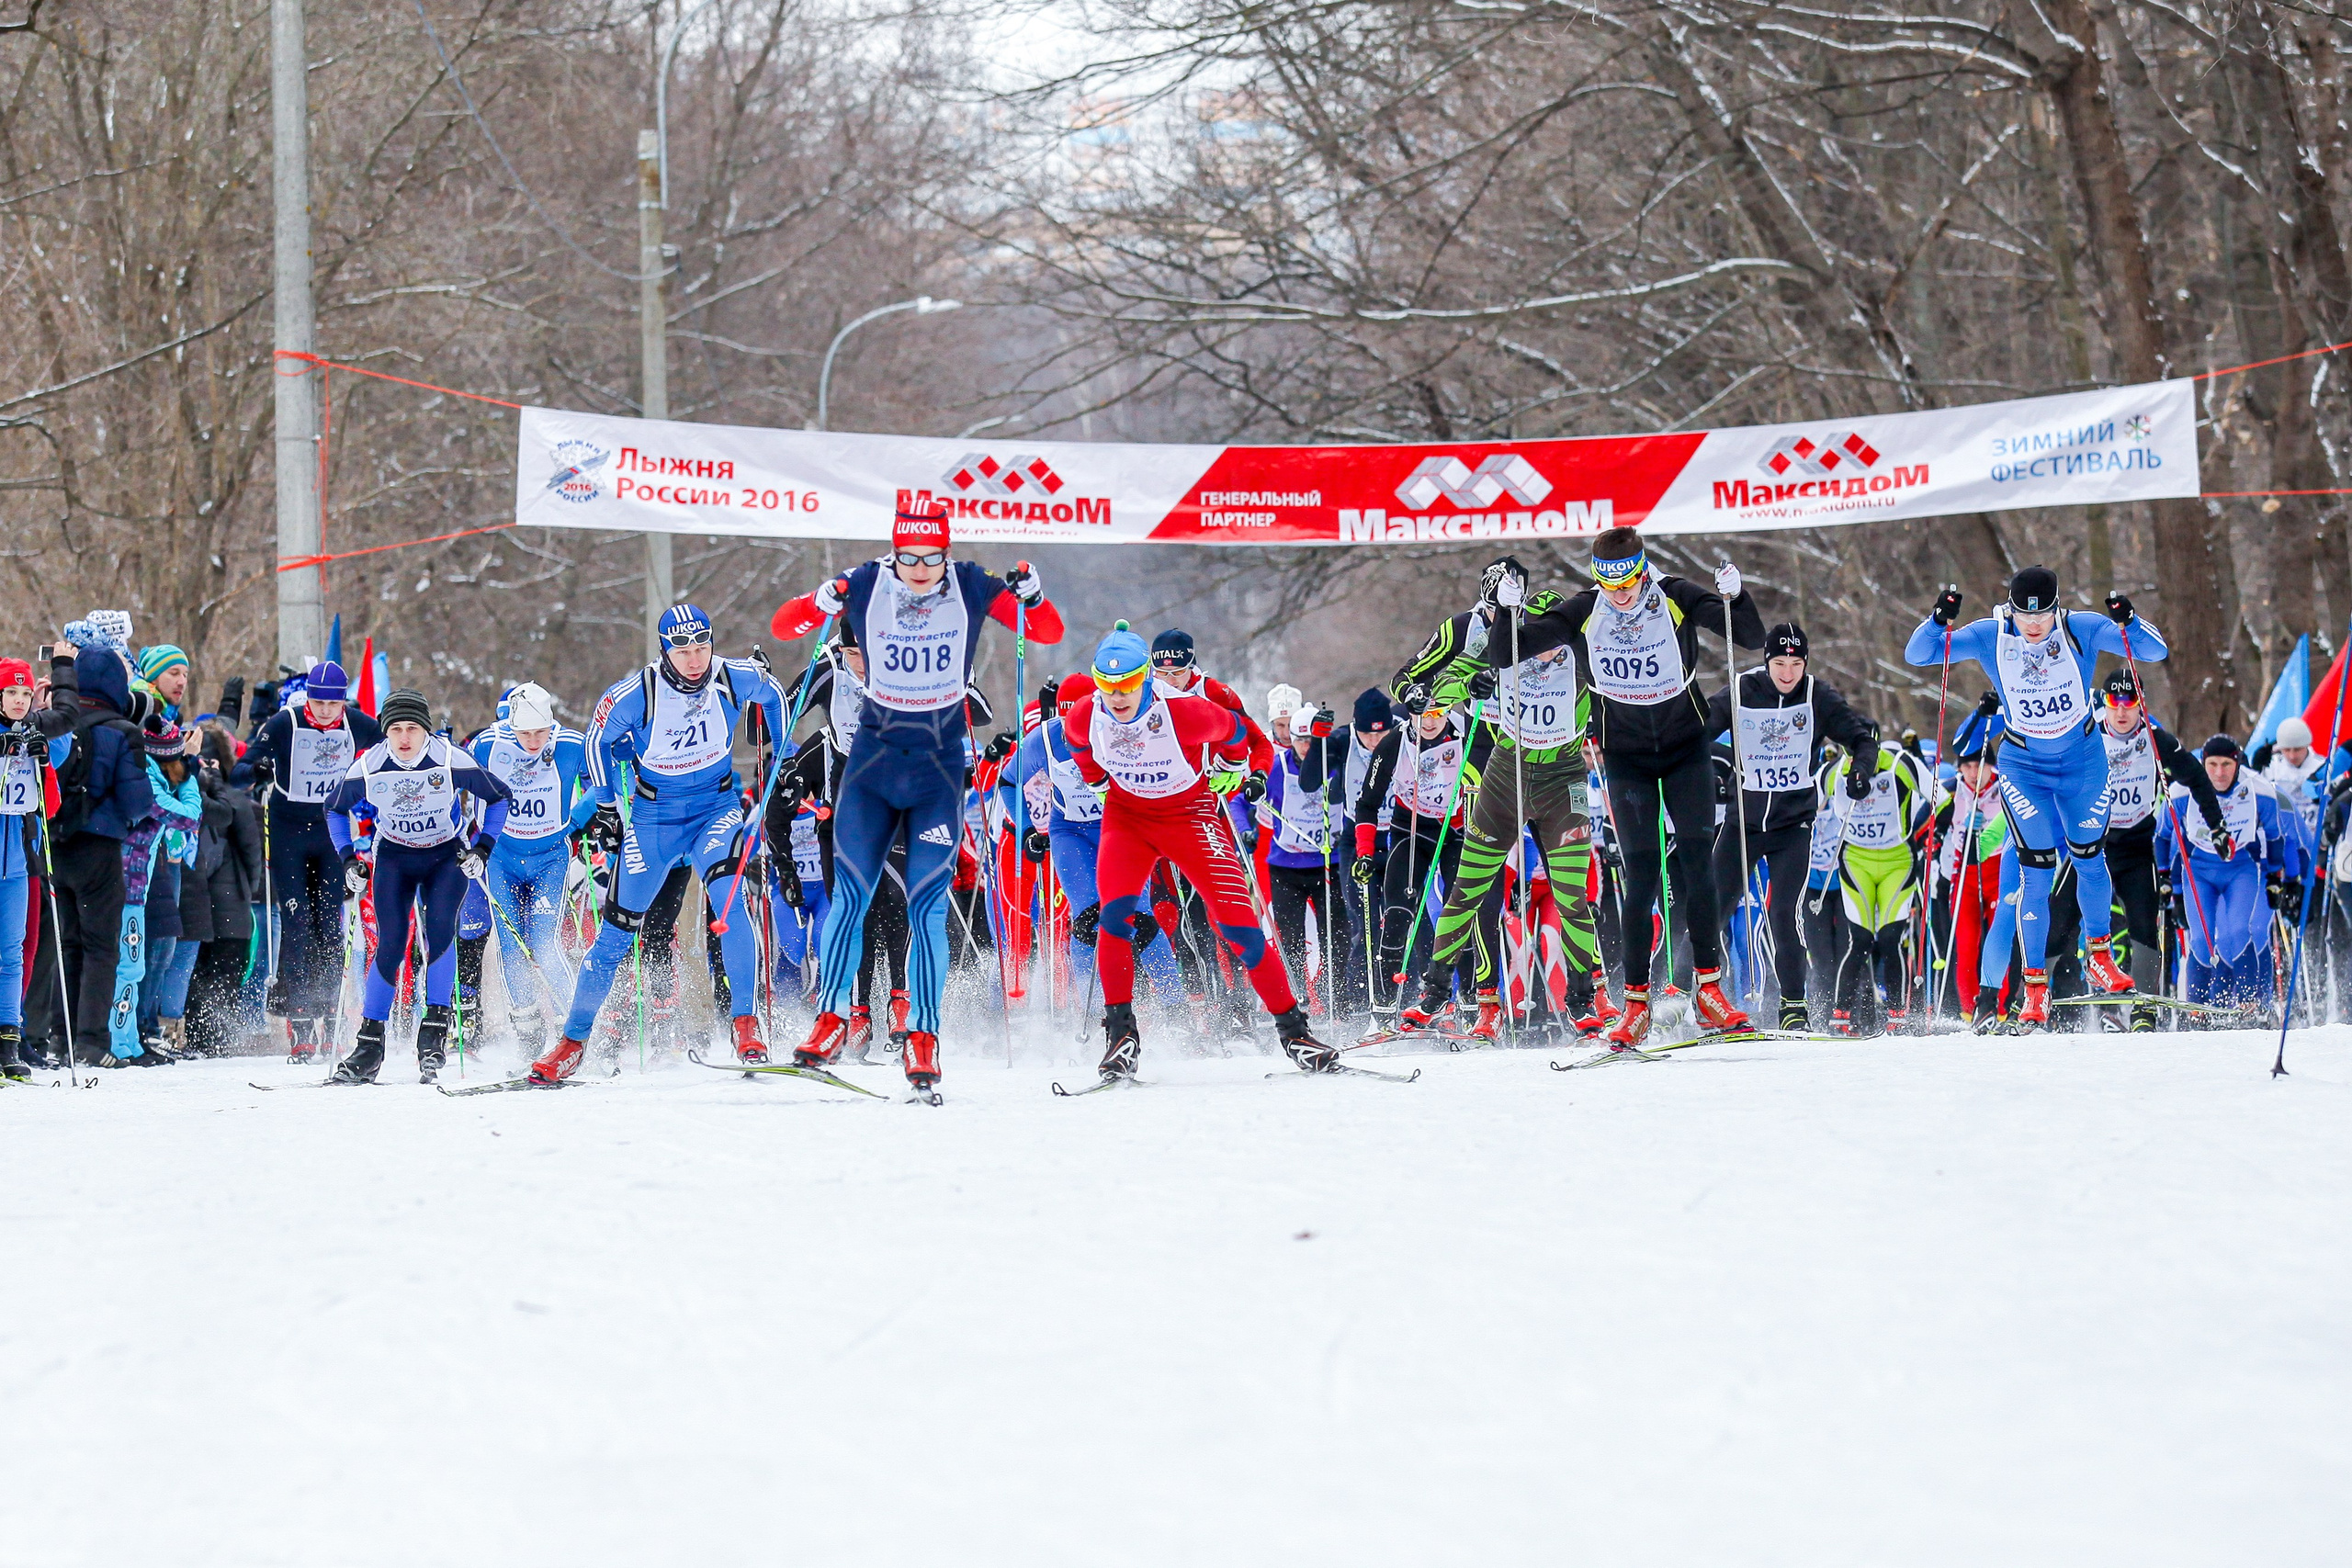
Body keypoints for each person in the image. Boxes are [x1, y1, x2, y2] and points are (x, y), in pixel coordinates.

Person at [773, 506, 1061, 1094]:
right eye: (910, 560)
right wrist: (817, 604)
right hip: (871, 769)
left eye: (933, 559)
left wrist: (1033, 597)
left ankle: (922, 1034)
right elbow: (785, 627)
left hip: (936, 772)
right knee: (849, 897)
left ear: (947, 555)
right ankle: (832, 1020)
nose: (922, 571)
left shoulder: (973, 586)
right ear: (894, 554)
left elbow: (1048, 631)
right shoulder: (866, 583)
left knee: (927, 906)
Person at [1472, 534, 1763, 1045]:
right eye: (1609, 583)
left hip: (1684, 748)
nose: (1620, 594)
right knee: (1642, 874)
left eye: (1628, 582)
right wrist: (1506, 613)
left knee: (1699, 866)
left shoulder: (1673, 593)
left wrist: (1736, 598)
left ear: (1642, 571)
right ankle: (1634, 1004)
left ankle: (1710, 992)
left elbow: (1751, 637)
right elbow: (1503, 655)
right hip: (1626, 757)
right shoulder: (1585, 609)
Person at [1061, 626, 1336, 1081]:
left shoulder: (1187, 711)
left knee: (1238, 924)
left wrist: (1234, 768)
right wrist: (1096, 781)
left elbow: (1236, 731)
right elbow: (1078, 748)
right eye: (1107, 686)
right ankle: (1120, 1035)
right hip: (1128, 819)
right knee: (1114, 917)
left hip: (1191, 816)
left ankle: (1295, 1033)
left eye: (1128, 684)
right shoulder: (1085, 716)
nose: (1117, 696)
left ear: (1145, 677)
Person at [528, 605, 790, 1082]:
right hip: (654, 818)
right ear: (665, 650)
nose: (695, 660)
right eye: (683, 651)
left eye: (701, 648)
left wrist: (782, 755)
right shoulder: (638, 691)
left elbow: (774, 695)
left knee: (730, 911)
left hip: (716, 810)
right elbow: (595, 741)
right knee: (614, 936)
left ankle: (746, 1026)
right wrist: (606, 801)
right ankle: (572, 1042)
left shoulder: (735, 676)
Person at [1905, 567, 2159, 1028]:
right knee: (2035, 875)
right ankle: (2034, 988)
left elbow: (2153, 651)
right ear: (2012, 608)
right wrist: (1938, 620)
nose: (2035, 625)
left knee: (2089, 859)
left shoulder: (2078, 628)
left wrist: (2130, 621)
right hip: (2025, 767)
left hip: (2083, 762)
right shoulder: (1990, 636)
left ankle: (2099, 955)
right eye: (2025, 616)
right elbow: (1919, 653)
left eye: (2043, 616)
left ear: (2057, 607)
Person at [323, 690, 512, 1082]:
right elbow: (334, 808)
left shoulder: (448, 758)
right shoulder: (371, 764)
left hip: (446, 857)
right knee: (391, 942)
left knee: (440, 934)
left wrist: (483, 847)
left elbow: (499, 797)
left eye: (412, 728)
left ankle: (434, 1037)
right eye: (395, 729)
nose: (404, 738)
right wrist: (347, 860)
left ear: (425, 729)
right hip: (395, 856)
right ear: (385, 732)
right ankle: (369, 1047)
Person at [1702, 622, 1879, 1032]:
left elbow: (1862, 739)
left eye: (1796, 663)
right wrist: (1712, 770)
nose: (1787, 673)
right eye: (1779, 663)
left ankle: (1793, 1005)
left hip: (1792, 826)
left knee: (1784, 913)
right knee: (1712, 909)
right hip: (1742, 823)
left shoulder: (1818, 695)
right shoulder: (1744, 689)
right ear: (1767, 663)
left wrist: (1860, 770)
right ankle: (1700, 997)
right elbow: (1698, 732)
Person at [250, 660, 384, 1060]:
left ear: (343, 701)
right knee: (297, 925)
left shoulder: (356, 723)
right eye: (318, 701)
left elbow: (394, 747)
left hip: (331, 833)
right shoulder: (285, 721)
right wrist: (256, 769)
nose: (325, 710)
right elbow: (248, 759)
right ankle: (301, 1019)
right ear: (308, 695)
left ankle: (332, 1014)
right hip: (290, 831)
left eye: (333, 703)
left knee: (329, 925)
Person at [47, 630, 157, 1066]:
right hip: (100, 849)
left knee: (66, 945)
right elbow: (137, 801)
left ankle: (61, 1036)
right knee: (100, 948)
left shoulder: (60, 723)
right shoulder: (122, 731)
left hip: (57, 846)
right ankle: (92, 1041)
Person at [468, 682, 592, 1060]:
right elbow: (461, 787)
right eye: (525, 733)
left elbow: (602, 784)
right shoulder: (488, 745)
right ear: (511, 726)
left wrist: (578, 822)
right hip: (502, 858)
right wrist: (468, 839)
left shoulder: (570, 744)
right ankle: (528, 1033)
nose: (533, 741)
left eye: (540, 732)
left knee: (543, 942)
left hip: (550, 856)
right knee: (510, 944)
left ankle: (574, 1032)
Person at [2094, 671, 2224, 1029]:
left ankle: (2144, 1009)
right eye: (2113, 703)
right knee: (2062, 918)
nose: (2121, 712)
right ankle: (2036, 1001)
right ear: (2104, 702)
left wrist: (2217, 825)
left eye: (2130, 703)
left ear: (2140, 705)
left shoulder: (2154, 740)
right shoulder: (2086, 734)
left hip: (2136, 847)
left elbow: (2196, 777)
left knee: (2143, 925)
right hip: (2093, 848)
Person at [1352, 689, 1491, 1027]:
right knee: (1398, 915)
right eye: (1423, 714)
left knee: (1460, 917)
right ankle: (1383, 1011)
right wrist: (1365, 853)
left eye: (1438, 713)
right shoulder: (1394, 743)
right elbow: (1367, 804)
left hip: (1455, 832)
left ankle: (1470, 1005)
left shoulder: (1465, 734)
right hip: (1409, 830)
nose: (1431, 721)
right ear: (1411, 714)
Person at [2154, 735, 2298, 1012]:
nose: (2219, 773)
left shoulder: (2259, 790)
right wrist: (2164, 878)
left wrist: (2275, 879)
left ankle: (2247, 1005)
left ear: (2237, 763)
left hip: (2240, 868)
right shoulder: (2183, 791)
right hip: (2199, 869)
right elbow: (2162, 836)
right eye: (2212, 765)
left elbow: (2275, 836)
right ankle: (2197, 1009)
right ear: (2202, 764)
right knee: (2201, 937)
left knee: (2238, 932)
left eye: (2226, 765)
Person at [1819, 738, 1933, 1032]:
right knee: (1859, 941)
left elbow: (1940, 797)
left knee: (1889, 939)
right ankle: (1842, 1014)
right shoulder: (1834, 771)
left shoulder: (1900, 764)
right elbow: (1806, 800)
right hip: (1857, 862)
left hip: (1898, 860)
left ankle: (1897, 1015)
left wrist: (1920, 831)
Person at [1259, 687, 1348, 1016]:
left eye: (1311, 740)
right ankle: (1297, 999)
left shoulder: (1336, 762)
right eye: (1299, 740)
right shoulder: (1277, 764)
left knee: (1336, 935)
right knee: (1291, 938)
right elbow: (1243, 800)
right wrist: (1247, 830)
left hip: (1330, 862)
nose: (1305, 747)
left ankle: (1335, 997)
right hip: (1287, 865)